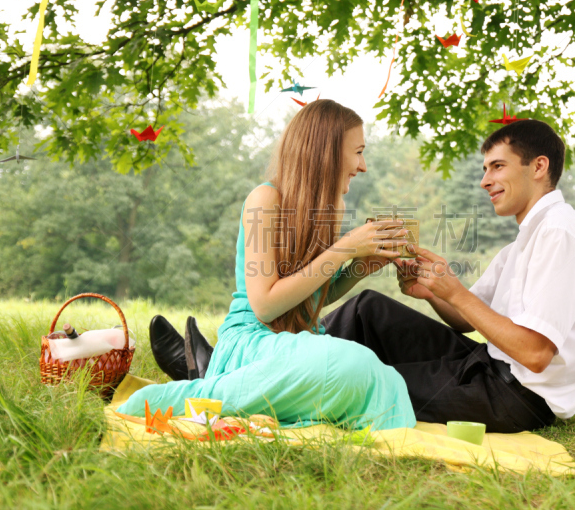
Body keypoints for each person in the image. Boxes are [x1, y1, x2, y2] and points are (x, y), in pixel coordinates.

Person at [118, 100, 416, 430]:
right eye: (358, 151)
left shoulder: (331, 207)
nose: (363, 165)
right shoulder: (265, 199)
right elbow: (266, 305)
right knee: (357, 365)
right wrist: (345, 250)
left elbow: (311, 299)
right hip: (253, 342)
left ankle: (218, 388)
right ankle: (193, 395)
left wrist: (361, 265)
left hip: (294, 342)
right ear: (326, 151)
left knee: (386, 380)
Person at [321, 119, 575, 433]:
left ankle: (293, 382)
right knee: (368, 310)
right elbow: (467, 320)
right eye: (485, 169)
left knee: (364, 381)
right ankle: (288, 359)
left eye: (497, 166)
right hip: (487, 364)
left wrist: (455, 292)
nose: (485, 181)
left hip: (515, 397)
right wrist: (433, 291)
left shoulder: (561, 233)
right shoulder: (521, 245)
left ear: (538, 166)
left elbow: (535, 354)